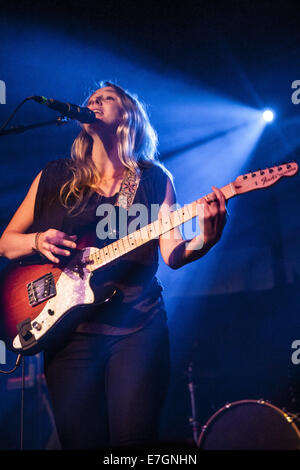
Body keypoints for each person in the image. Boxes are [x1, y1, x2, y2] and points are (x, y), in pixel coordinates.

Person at [0, 81, 227, 449]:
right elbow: (6, 243)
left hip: (137, 328)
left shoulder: (154, 179)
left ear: (129, 115)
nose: (94, 101)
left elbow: (172, 255)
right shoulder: (54, 175)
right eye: (91, 99)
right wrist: (37, 240)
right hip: (68, 334)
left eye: (107, 98)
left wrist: (205, 238)